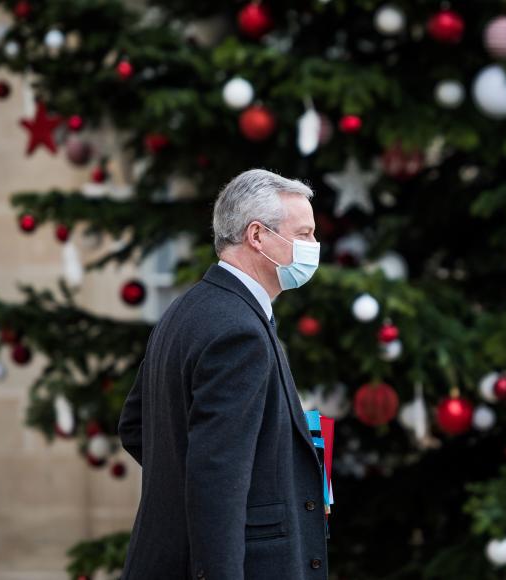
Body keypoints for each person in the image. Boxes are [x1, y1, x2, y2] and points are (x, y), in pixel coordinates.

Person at [117, 168, 328, 579]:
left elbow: (133, 426)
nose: (314, 247)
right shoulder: (238, 330)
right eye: (304, 234)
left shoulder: (186, 308)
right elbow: (217, 477)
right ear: (257, 236)